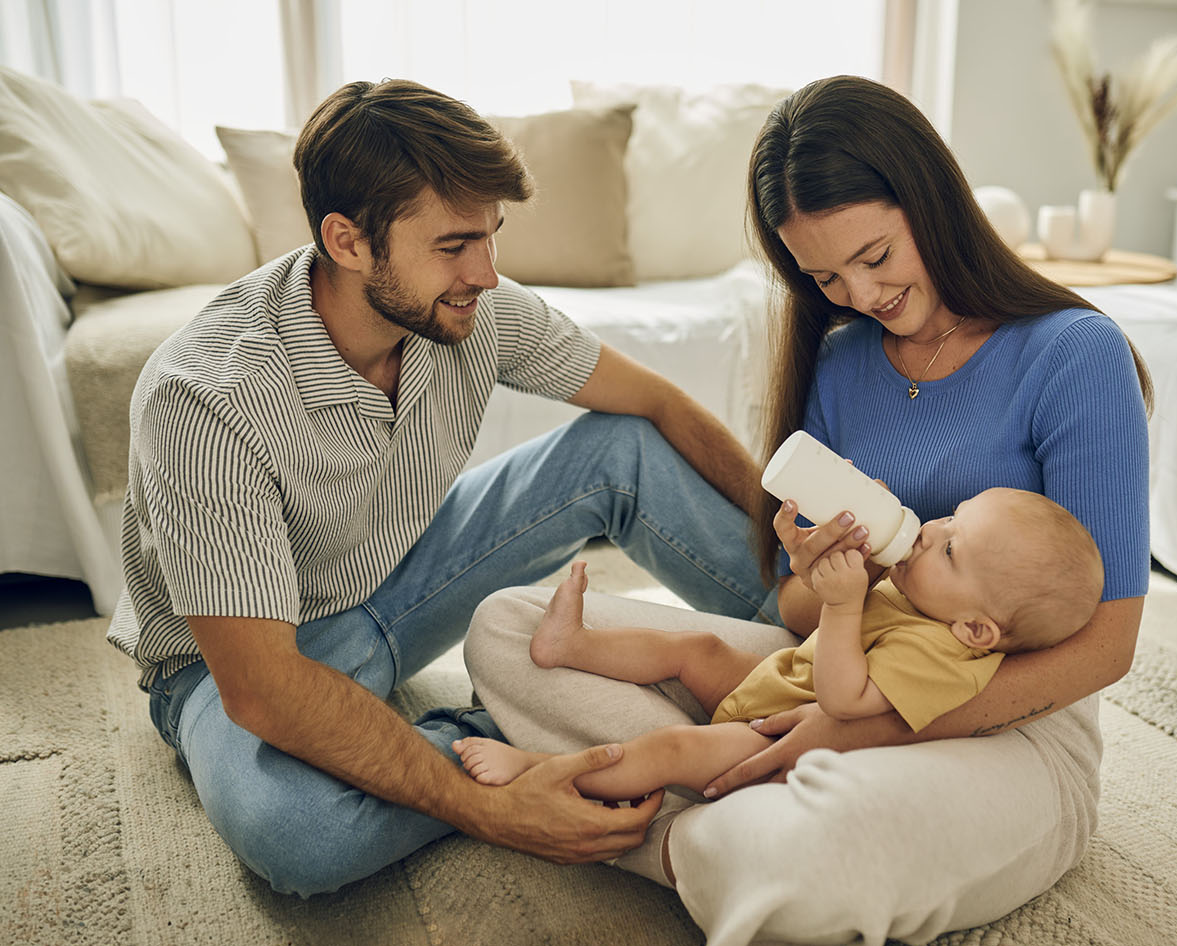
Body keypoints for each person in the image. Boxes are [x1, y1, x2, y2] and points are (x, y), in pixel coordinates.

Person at [465, 73, 1151, 946]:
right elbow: (793, 613)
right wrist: (832, 582)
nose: (861, 297)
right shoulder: (840, 363)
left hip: (1003, 723)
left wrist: (857, 730)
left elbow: (1106, 644)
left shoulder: (1071, 356)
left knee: (819, 845)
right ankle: (722, 829)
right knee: (508, 629)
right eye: (825, 276)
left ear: (930, 200)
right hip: (834, 665)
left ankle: (660, 830)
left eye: (874, 257)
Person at [104, 77, 786, 897]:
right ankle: (521, 737)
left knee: (622, 444)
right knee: (299, 839)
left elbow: (657, 404)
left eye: (491, 238)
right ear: (348, 242)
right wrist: (492, 806)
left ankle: (816, 667)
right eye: (455, 245)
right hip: (234, 665)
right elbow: (263, 689)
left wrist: (792, 539)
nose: (488, 275)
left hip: (394, 573)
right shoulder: (207, 395)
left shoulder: (468, 309)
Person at [454, 487, 1103, 800]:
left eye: (952, 545)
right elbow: (804, 625)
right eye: (949, 517)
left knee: (674, 748)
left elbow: (846, 702)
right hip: (776, 682)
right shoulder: (925, 598)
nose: (930, 529)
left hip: (778, 736)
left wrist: (848, 602)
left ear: (977, 630)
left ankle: (541, 772)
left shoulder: (947, 659)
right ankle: (574, 646)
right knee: (698, 646)